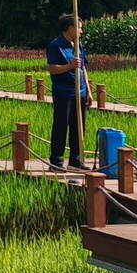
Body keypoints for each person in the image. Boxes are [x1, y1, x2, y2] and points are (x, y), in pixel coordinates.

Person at [45, 13, 88, 172]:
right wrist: (70, 66)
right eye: (80, 28)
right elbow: (52, 69)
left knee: (79, 127)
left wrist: (88, 91)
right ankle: (56, 161)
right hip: (64, 92)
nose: (81, 31)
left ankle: (75, 160)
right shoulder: (56, 45)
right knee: (61, 126)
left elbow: (83, 67)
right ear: (71, 28)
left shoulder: (77, 45)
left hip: (80, 91)